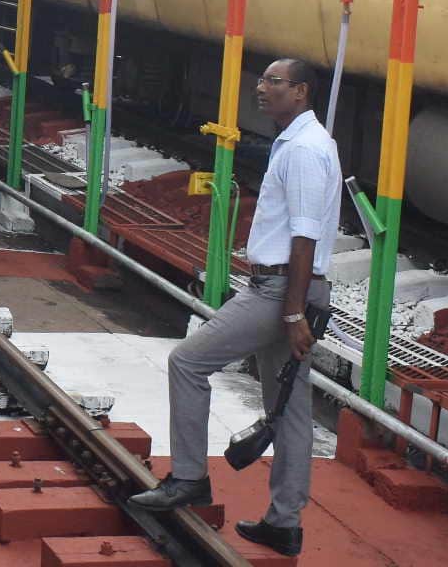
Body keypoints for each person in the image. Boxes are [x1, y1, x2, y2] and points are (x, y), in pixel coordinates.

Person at [128, 57, 340, 557]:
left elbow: (305, 237)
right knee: (286, 409)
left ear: (302, 92)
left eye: (274, 82)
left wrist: (291, 313)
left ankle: (188, 478)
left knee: (188, 362)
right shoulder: (299, 142)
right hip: (287, 290)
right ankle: (283, 525)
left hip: (281, 291)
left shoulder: (306, 150)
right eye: (262, 80)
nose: (262, 89)